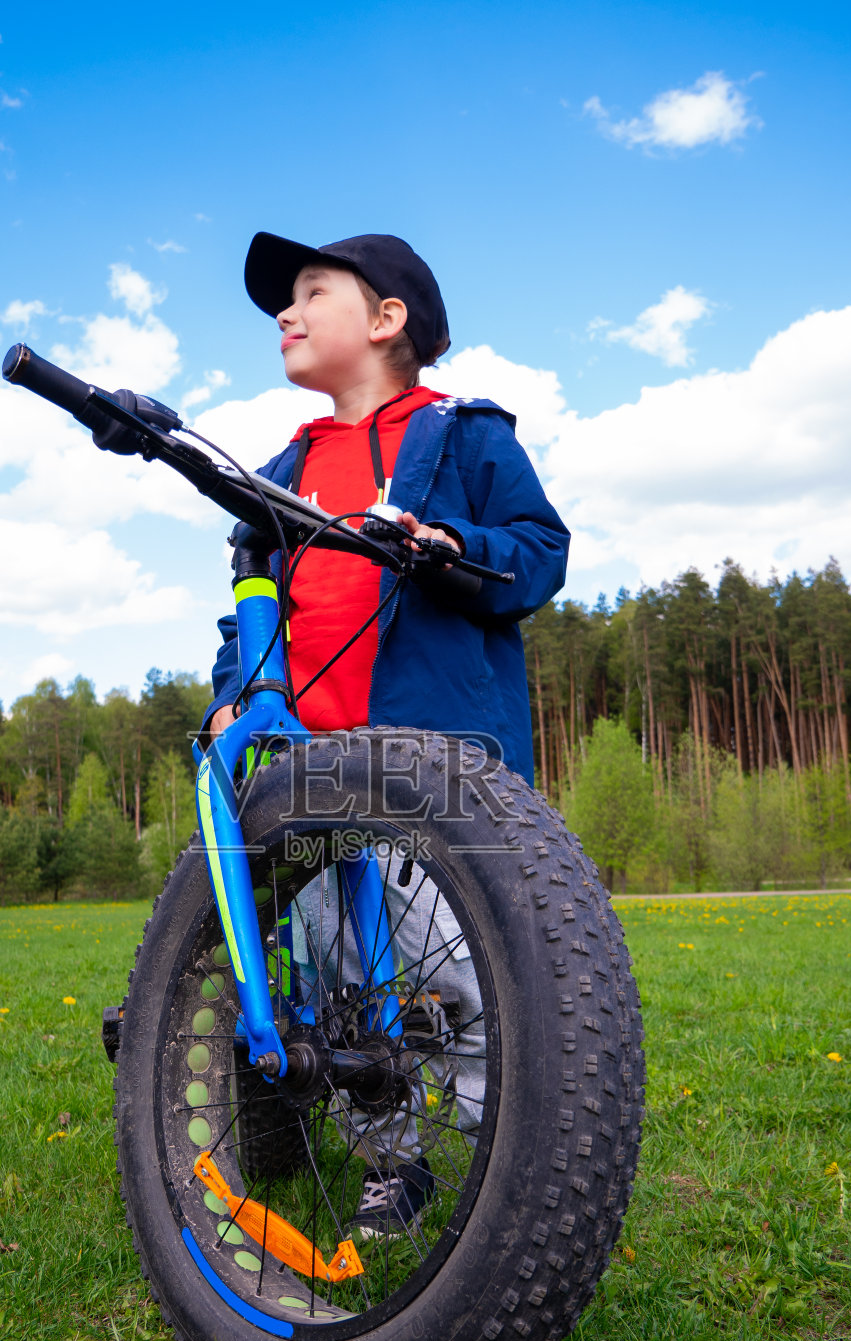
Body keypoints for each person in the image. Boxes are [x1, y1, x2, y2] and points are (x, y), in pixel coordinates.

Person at [203, 231, 570, 1237]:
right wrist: (234, 691)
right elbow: (250, 612)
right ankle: (392, 1161)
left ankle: (512, 1153)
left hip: (434, 766)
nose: (285, 310)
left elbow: (540, 554)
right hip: (311, 773)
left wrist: (454, 548)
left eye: (310, 291)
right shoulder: (281, 468)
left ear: (386, 318)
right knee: (343, 980)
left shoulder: (465, 438)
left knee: (457, 973)